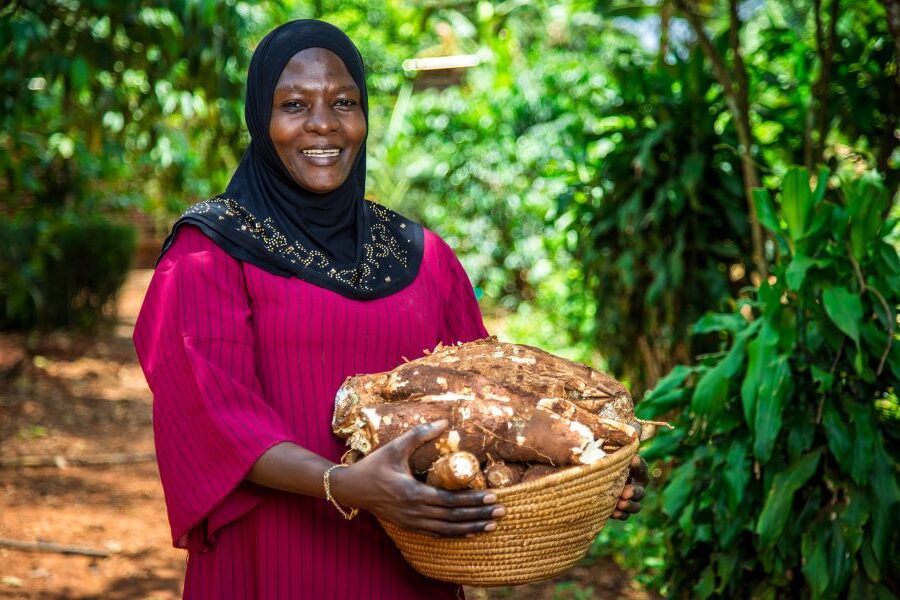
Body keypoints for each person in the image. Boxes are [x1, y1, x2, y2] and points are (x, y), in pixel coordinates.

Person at [133, 19, 647, 600]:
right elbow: (212, 417)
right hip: (272, 560)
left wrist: (593, 470)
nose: (323, 123)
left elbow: (490, 408)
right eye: (294, 104)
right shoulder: (212, 252)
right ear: (260, 118)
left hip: (406, 568)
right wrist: (347, 484)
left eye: (344, 102)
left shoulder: (423, 256)